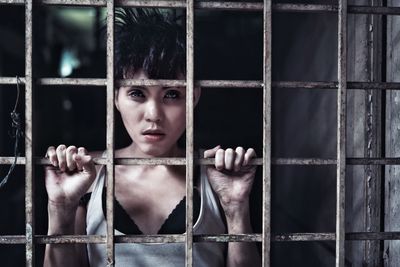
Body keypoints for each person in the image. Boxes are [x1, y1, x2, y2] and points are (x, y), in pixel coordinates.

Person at [43, 9, 261, 267]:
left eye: (171, 94)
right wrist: (60, 210)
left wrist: (236, 208)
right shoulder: (86, 174)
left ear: (194, 97)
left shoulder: (218, 174)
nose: (154, 114)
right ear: (115, 97)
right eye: (137, 93)